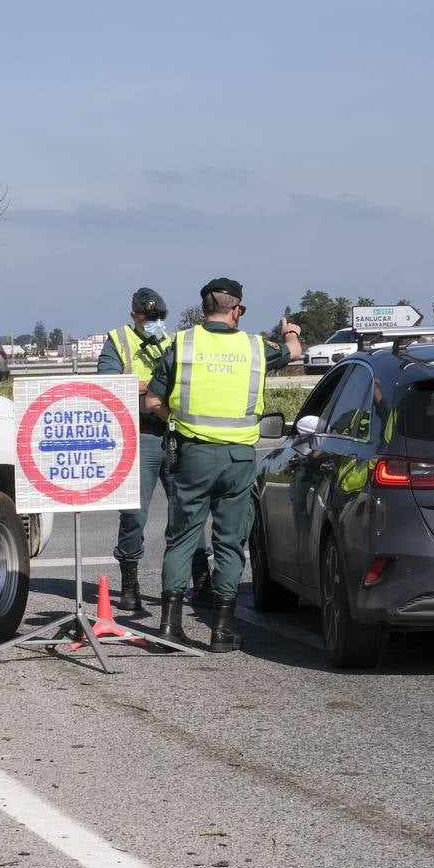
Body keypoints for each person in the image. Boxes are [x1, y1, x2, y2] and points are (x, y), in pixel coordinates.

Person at [143, 277, 302, 652]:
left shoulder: (182, 344)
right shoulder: (256, 347)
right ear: (238, 310)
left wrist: (176, 420)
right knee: (230, 542)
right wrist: (291, 332)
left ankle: (169, 627)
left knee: (182, 536)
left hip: (193, 454)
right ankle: (222, 630)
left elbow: (151, 402)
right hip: (237, 459)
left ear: (203, 310)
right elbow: (294, 353)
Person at [98, 288, 212, 611]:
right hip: (140, 435)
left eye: (160, 318)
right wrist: (152, 385)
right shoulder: (118, 341)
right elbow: (108, 385)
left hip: (174, 434)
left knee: (189, 509)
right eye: (149, 318)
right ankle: (130, 581)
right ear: (134, 315)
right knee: (135, 512)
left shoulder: (171, 340)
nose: (155, 323)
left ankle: (201, 578)